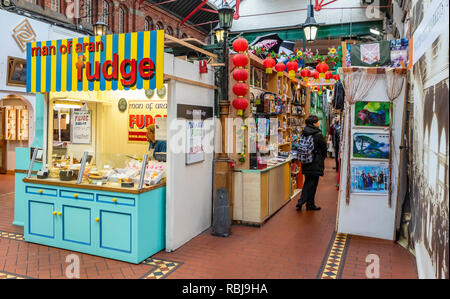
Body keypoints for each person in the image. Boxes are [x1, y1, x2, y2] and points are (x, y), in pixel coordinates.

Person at [296, 115, 327, 211]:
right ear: (314, 123)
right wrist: (322, 157)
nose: (319, 123)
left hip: (305, 161)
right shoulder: (318, 134)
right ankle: (303, 202)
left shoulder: (304, 132)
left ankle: (308, 204)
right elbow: (323, 149)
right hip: (315, 162)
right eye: (318, 121)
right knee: (312, 184)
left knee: (308, 182)